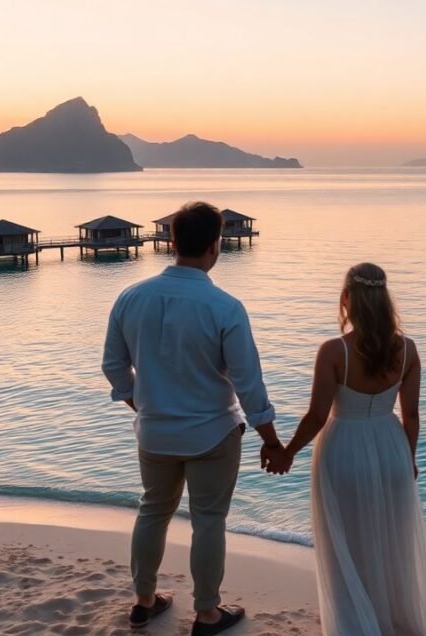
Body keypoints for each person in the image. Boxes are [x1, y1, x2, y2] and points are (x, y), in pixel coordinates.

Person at [102, 201, 289, 635]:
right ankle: (206, 612)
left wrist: (141, 403)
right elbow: (248, 383)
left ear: (171, 242)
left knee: (153, 511)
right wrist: (271, 439)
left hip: (154, 432)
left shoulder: (130, 297)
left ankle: (144, 602)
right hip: (212, 434)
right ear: (214, 246)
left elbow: (113, 365)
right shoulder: (224, 306)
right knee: (208, 521)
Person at [278, 262, 426, 636]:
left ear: (347, 300)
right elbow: (412, 415)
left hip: (344, 450)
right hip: (391, 447)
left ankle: (356, 623)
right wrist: (410, 459)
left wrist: (287, 451)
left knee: (346, 544)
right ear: (385, 300)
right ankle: (393, 618)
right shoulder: (408, 350)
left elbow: (317, 416)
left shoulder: (335, 351)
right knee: (389, 541)